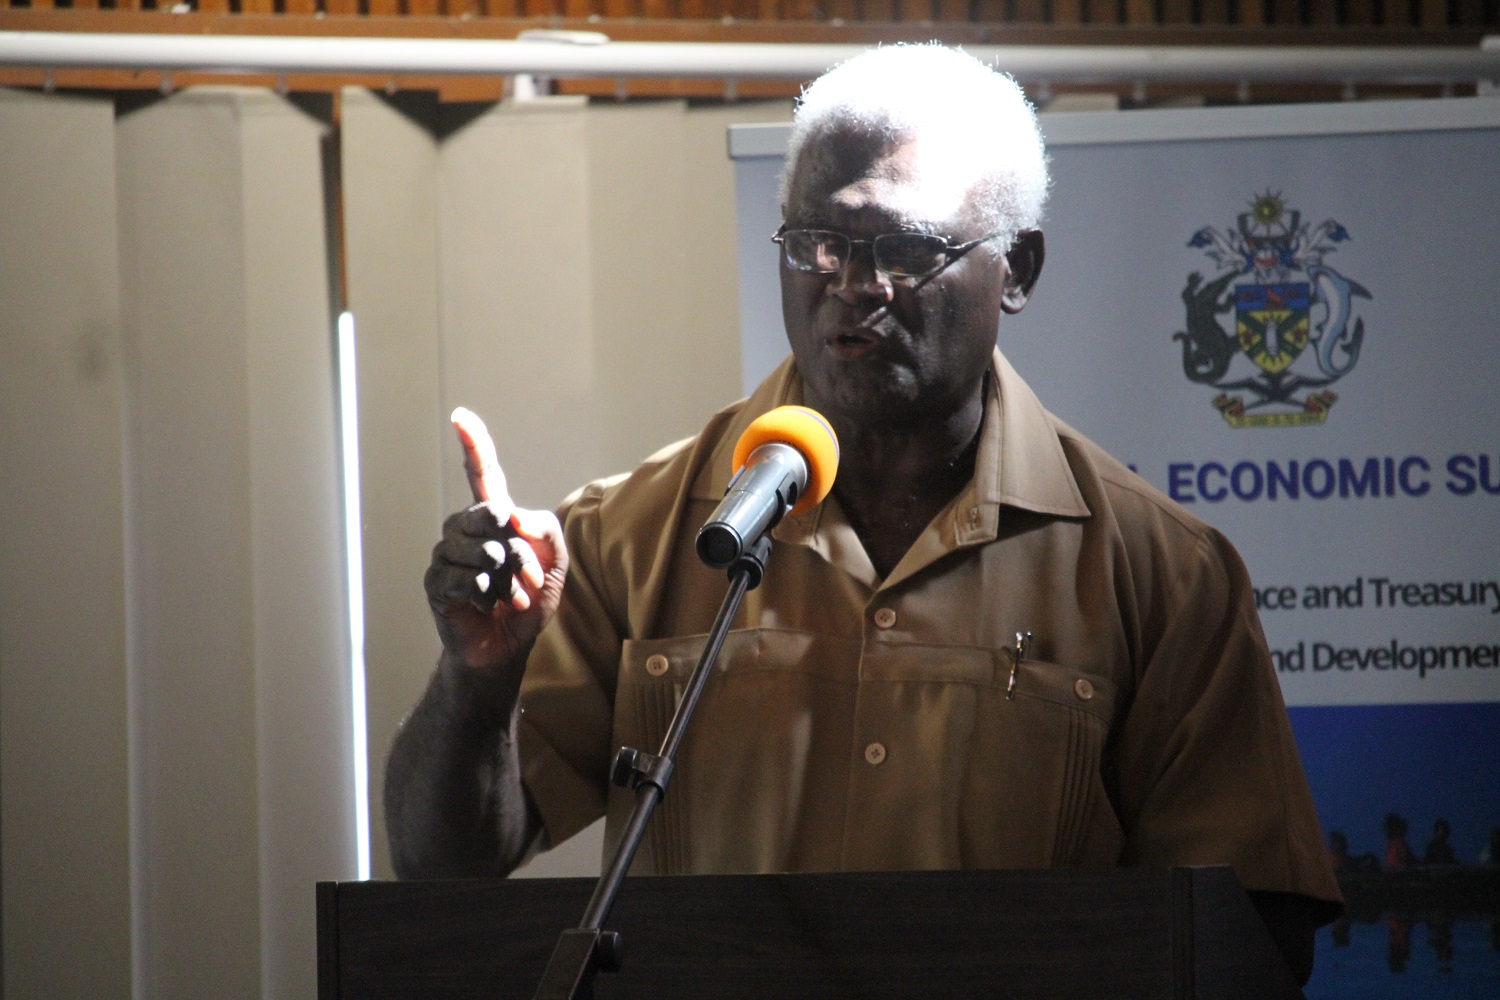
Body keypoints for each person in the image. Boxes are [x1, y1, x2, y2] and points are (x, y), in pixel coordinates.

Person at [384, 43, 1342, 984]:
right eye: (820, 243)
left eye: (909, 249)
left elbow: (1256, 937)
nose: (852, 284)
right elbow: (445, 864)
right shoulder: (626, 538)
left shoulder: (1163, 573)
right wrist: (479, 684)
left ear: (1017, 268)